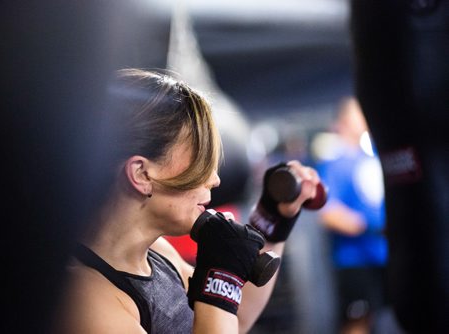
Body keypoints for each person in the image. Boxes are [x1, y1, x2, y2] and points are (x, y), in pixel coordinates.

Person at [51, 68, 322, 333]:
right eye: (198, 158)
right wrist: (220, 281)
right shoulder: (85, 298)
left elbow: (232, 322)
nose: (214, 179)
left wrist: (271, 218)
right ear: (142, 174)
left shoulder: (158, 252)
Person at [316, 97, 388, 334]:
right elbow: (327, 212)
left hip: (385, 257)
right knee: (358, 320)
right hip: (354, 260)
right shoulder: (334, 162)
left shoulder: (373, 156)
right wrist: (369, 227)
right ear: (345, 119)